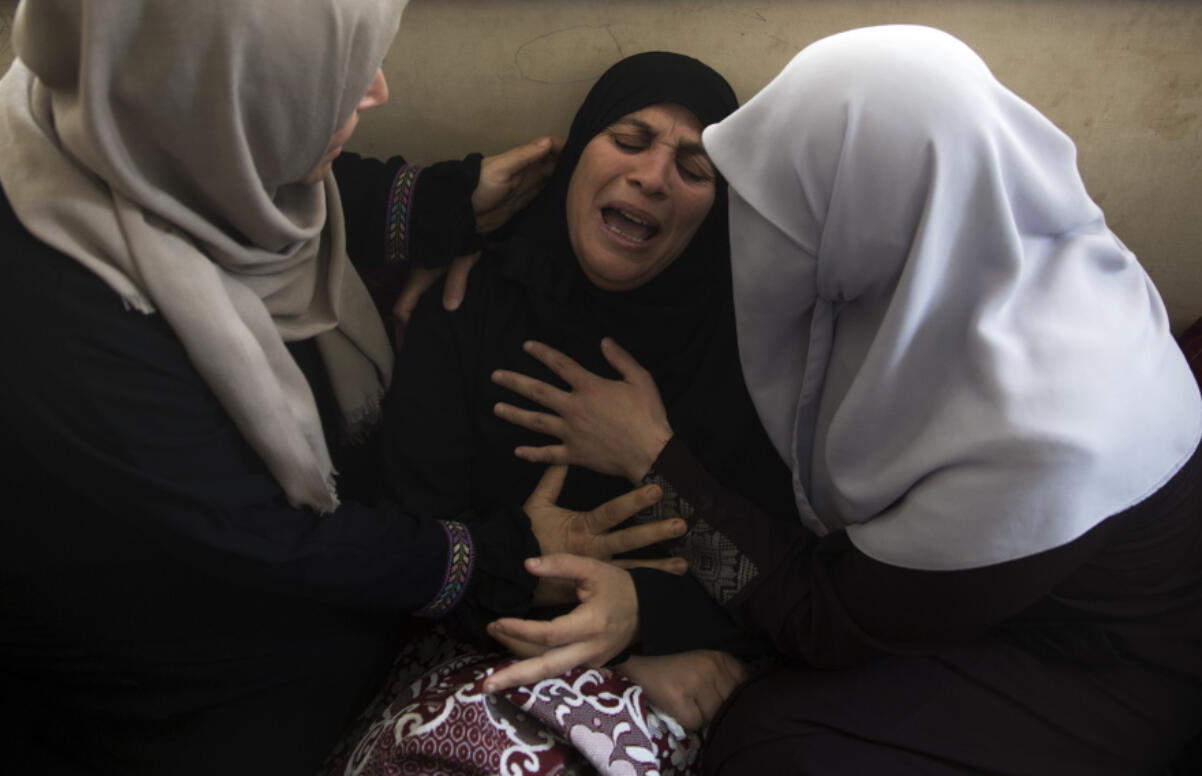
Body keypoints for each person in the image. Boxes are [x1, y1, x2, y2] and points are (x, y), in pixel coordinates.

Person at [0, 2, 681, 774]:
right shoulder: (51, 313)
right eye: (329, 77)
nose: (376, 90)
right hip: (152, 672)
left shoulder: (109, 119)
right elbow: (264, 538)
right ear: (221, 92)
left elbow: (237, 172)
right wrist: (505, 556)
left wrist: (444, 204)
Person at [483, 25, 1202, 775]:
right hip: (979, 601)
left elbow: (828, 620)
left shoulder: (1049, 426)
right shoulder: (981, 250)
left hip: (1097, 666)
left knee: (773, 742)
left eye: (795, 208)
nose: (756, 236)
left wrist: (650, 460)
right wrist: (474, 247)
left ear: (872, 208)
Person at [342, 51, 792, 772]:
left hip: (679, 671)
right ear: (578, 151)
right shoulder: (470, 304)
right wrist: (547, 589)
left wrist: (650, 474)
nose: (651, 177)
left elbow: (785, 586)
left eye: (694, 167)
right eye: (630, 139)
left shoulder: (746, 348)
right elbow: (409, 540)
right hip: (473, 649)